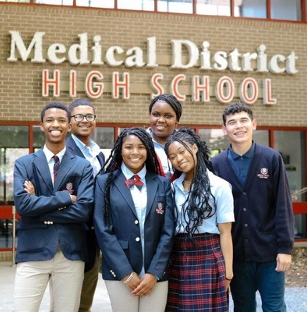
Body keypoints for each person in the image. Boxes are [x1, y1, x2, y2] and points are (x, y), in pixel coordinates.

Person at [211, 102, 294, 312]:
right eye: (232, 122)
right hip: (236, 255)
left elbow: (282, 205)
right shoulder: (216, 165)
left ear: (254, 124)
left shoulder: (271, 158)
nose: (238, 126)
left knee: (274, 308)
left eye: (243, 120)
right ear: (224, 129)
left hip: (269, 254)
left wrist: (285, 248)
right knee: (243, 307)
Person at [13, 102, 94, 312]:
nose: (55, 124)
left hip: (71, 252)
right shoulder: (24, 164)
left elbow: (84, 210)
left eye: (61, 120)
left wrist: (37, 205)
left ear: (69, 125)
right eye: (49, 120)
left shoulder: (82, 166)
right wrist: (66, 198)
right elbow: (23, 205)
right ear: (41, 125)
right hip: (32, 251)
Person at [93, 127, 175, 312]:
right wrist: (126, 273)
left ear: (148, 150)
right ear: (120, 150)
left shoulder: (162, 183)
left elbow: (168, 231)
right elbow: (103, 230)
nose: (135, 152)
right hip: (120, 271)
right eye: (129, 147)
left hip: (156, 271)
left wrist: (154, 272)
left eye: (141, 147)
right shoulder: (104, 183)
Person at [164, 127, 234, 311]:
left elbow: (226, 233)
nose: (179, 159)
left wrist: (228, 272)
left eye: (182, 151)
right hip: (178, 258)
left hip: (208, 257)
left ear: (194, 148)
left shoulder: (220, 187)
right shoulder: (172, 187)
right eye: (173, 157)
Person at [67, 98, 105, 312]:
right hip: (73, 233)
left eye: (89, 116)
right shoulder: (65, 150)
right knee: (67, 298)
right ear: (70, 121)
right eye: (79, 116)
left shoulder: (97, 152)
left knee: (86, 294)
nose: (85, 120)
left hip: (93, 233)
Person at [147, 94, 183, 179]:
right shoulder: (140, 144)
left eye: (168, 116)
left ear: (177, 120)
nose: (161, 120)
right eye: (156, 114)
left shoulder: (185, 145)